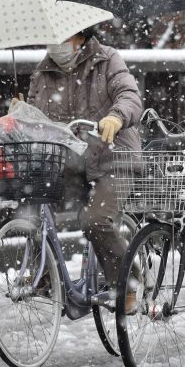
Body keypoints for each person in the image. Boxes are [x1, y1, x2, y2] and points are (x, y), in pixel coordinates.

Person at [18, 27, 142, 308]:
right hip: (73, 160)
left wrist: (116, 116)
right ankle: (43, 274)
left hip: (114, 157)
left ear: (81, 36)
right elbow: (38, 118)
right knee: (32, 199)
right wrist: (20, 113)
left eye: (62, 36)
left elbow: (129, 95)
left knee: (95, 220)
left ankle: (129, 282)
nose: (55, 44)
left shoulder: (107, 59)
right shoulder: (43, 72)